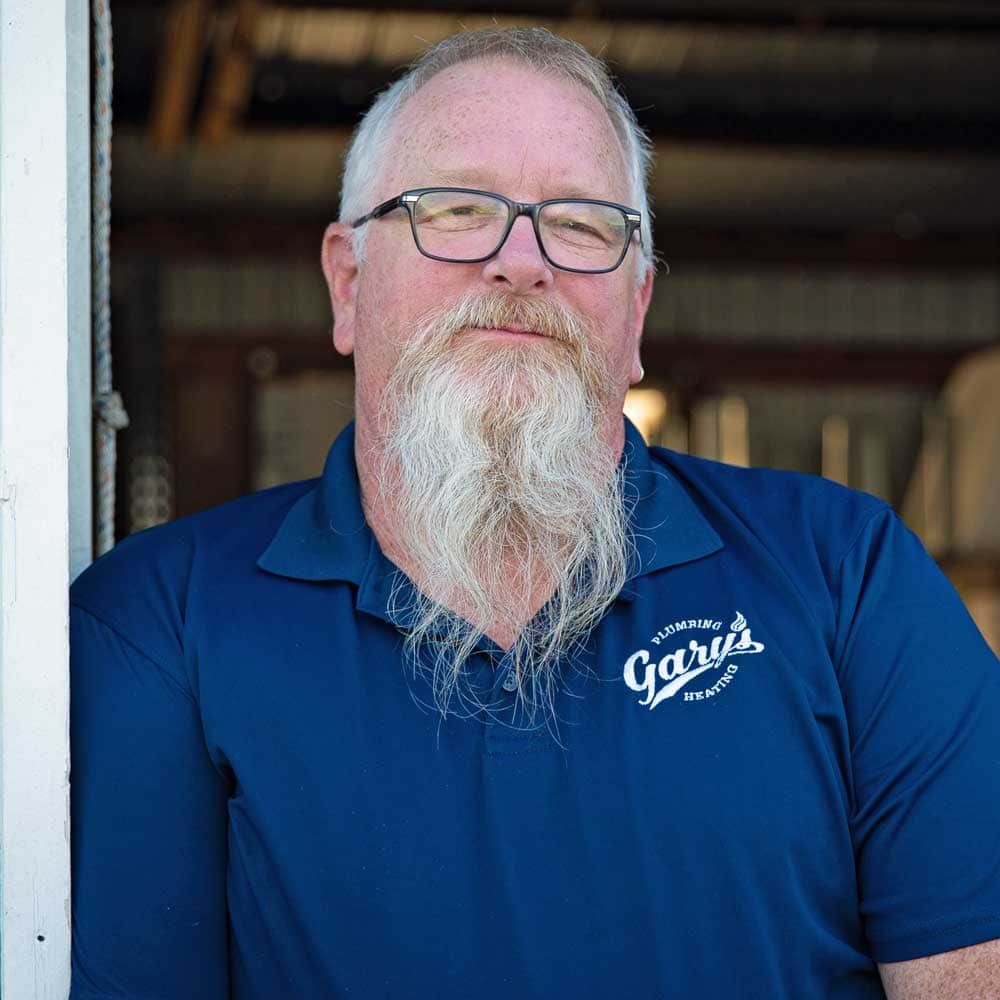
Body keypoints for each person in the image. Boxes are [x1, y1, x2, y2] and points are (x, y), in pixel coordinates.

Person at [69, 27, 1000, 1000]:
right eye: (456, 208)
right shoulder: (162, 625)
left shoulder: (846, 576)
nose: (521, 261)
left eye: (584, 222)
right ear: (347, 281)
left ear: (635, 308)